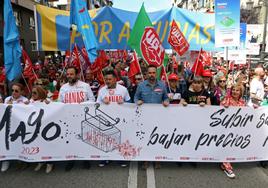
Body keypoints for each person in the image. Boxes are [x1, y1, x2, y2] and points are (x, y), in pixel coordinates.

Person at [58, 66, 95, 171]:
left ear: (77, 75)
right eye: (68, 74)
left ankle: (85, 159)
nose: (69, 76)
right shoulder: (63, 87)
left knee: (84, 138)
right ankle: (71, 160)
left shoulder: (85, 86)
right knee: (70, 139)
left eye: (71, 74)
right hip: (68, 118)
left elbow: (92, 100)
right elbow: (59, 102)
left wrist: (81, 104)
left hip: (82, 117)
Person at [134, 65, 169, 169]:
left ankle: (157, 159)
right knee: (145, 139)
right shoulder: (141, 85)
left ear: (156, 73)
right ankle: (145, 160)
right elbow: (136, 97)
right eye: (149, 73)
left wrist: (166, 101)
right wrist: (137, 101)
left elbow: (166, 97)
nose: (151, 75)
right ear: (146, 74)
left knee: (157, 139)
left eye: (153, 73)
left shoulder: (162, 85)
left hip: (158, 117)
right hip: (144, 117)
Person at [96, 70, 131, 167]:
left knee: (121, 138)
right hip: (106, 119)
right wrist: (102, 101)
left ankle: (121, 158)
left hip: (120, 118)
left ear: (115, 79)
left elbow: (130, 103)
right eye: (106, 79)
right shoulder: (102, 90)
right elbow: (96, 105)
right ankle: (105, 158)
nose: (107, 81)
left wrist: (124, 103)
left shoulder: (123, 89)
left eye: (110, 79)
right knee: (105, 138)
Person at [1, 83, 28, 172]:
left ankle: (22, 160)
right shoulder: (7, 99)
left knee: (20, 143)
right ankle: (6, 160)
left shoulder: (25, 100)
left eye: (16, 91)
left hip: (20, 126)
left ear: (22, 92)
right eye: (12, 90)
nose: (14, 92)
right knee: (6, 142)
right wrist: (6, 106)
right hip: (9, 125)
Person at [220, 84, 246, 178]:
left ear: (241, 92)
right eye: (233, 90)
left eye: (237, 90)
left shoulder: (242, 102)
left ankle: (224, 163)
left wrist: (254, 109)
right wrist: (224, 106)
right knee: (226, 146)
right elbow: (219, 111)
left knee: (231, 146)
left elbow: (246, 114)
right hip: (226, 128)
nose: (235, 92)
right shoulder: (227, 99)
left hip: (237, 129)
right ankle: (227, 167)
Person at [25, 86, 53, 173]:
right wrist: (24, 105)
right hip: (34, 128)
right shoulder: (30, 102)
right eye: (32, 93)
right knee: (37, 144)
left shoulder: (47, 101)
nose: (32, 95)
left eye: (35, 93)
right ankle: (40, 162)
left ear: (40, 93)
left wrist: (49, 104)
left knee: (47, 145)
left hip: (45, 127)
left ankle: (49, 163)